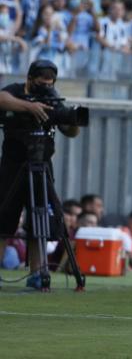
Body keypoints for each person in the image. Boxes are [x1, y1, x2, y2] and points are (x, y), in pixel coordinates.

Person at [0, 59, 81, 288]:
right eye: (41, 83)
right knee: (4, 220)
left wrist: (71, 119)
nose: (45, 87)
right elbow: (1, 99)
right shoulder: (16, 91)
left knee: (41, 221)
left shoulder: (52, 97)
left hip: (42, 166)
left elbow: (70, 132)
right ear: (29, 79)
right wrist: (29, 106)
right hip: (12, 167)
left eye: (49, 83)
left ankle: (38, 274)